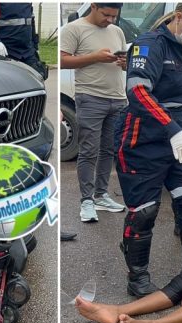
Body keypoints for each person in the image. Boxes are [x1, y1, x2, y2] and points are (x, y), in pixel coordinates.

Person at [113, 3, 182, 297]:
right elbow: (137, 92)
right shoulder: (149, 45)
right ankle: (138, 278)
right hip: (143, 138)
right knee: (144, 212)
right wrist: (170, 128)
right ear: (181, 19)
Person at [60, 3, 127, 223]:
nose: (110, 20)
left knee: (109, 150)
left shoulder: (117, 31)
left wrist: (125, 63)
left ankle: (101, 195)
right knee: (88, 150)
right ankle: (87, 200)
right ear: (94, 6)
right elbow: (61, 60)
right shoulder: (73, 29)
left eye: (114, 16)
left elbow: (125, 64)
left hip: (117, 97)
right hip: (90, 97)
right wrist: (95, 57)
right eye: (106, 14)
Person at [0, 3, 48, 79]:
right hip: (4, 50)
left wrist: (35, 46)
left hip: (27, 51)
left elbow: (30, 21)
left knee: (37, 78)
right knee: (4, 84)